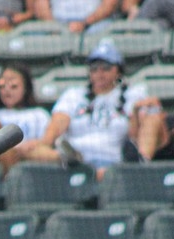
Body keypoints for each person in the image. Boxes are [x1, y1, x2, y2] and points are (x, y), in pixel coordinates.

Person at [19, 40, 161, 181]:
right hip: (75, 161)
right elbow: (55, 128)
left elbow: (135, 136)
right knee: (30, 150)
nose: (99, 73)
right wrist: (45, 145)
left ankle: (140, 170)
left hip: (115, 162)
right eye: (94, 68)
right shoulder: (74, 95)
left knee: (152, 119)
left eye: (106, 67)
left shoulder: (134, 94)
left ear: (118, 70)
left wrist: (136, 112)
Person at [35, 0, 118, 34]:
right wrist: (55, 27)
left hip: (95, 23)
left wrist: (85, 23)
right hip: (56, 25)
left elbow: (109, 5)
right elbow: (40, 7)